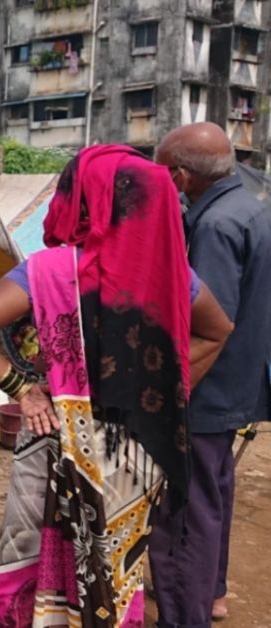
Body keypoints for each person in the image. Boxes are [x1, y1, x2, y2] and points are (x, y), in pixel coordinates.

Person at [0, 145, 234, 627]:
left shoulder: (48, 270)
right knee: (114, 567)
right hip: (135, 451)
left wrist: (25, 389)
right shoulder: (170, 276)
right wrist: (171, 390)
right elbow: (217, 331)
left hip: (55, 435)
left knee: (32, 547)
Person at [149, 122, 271, 627]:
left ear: (179, 175)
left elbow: (206, 323)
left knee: (184, 508)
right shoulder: (251, 209)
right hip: (238, 383)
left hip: (205, 388)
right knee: (213, 493)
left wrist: (173, 393)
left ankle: (183, 613)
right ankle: (212, 593)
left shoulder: (214, 226)